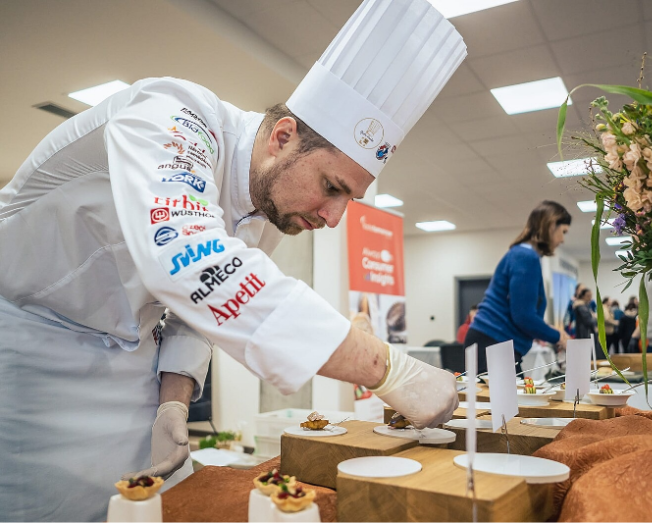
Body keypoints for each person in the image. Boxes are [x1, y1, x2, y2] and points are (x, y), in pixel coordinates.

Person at [0, 1, 466, 520]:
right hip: (26, 353)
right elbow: (189, 262)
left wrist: (174, 400)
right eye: (331, 188)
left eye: (348, 200)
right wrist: (387, 369)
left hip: (131, 369)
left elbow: (200, 312)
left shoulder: (268, 211)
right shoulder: (173, 114)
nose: (334, 217)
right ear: (282, 137)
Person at [464, 201, 571, 374]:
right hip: (493, 341)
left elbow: (522, 311)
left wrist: (552, 330)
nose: (563, 240)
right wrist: (558, 337)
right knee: (503, 400)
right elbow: (523, 316)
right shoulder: (526, 257)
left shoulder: (523, 254)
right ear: (551, 225)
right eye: (563, 232)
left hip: (494, 341)